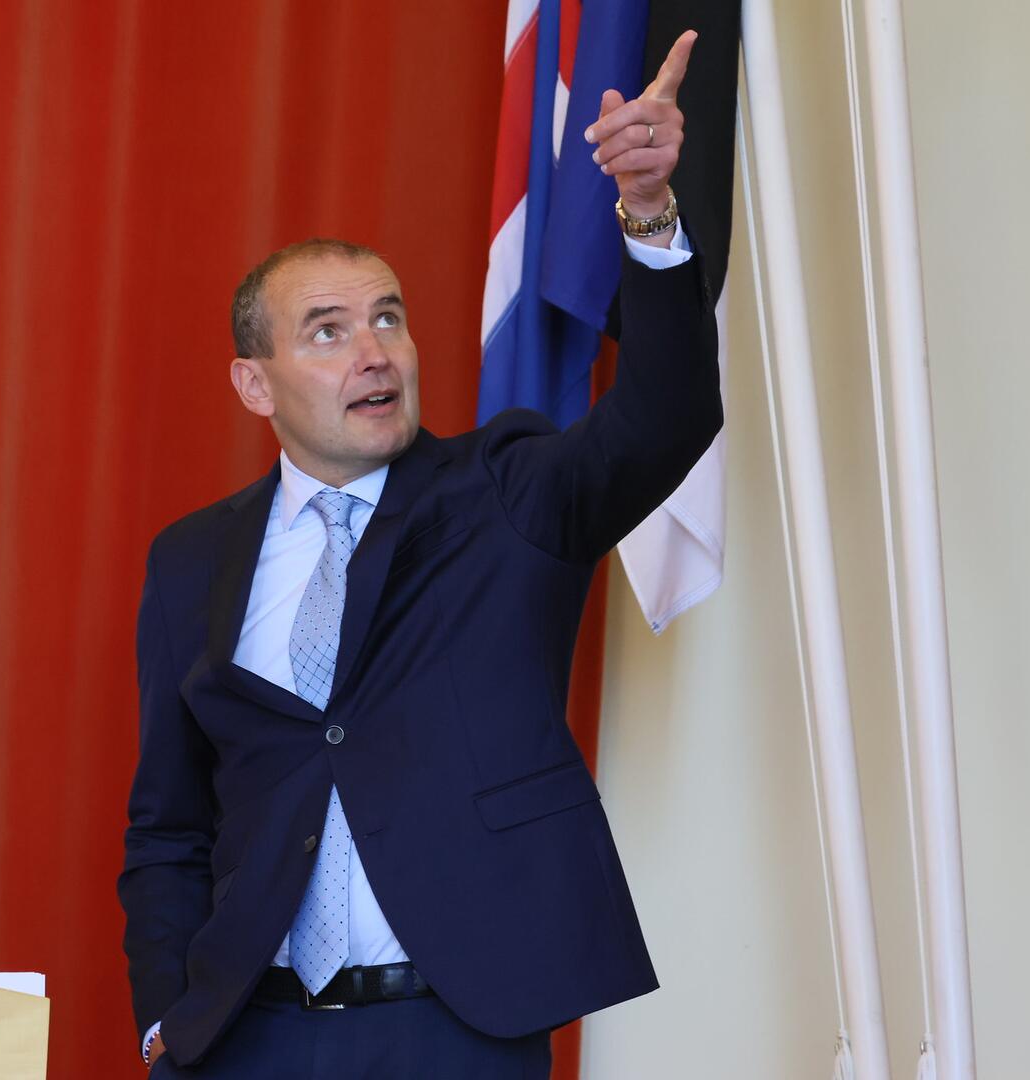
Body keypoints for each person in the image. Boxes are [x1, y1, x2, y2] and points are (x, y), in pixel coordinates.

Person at [119, 31, 719, 1079]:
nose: (373, 353)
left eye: (387, 319)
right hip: (247, 1038)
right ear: (255, 384)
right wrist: (169, 1016)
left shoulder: (507, 489)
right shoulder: (190, 560)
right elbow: (168, 825)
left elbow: (664, 418)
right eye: (326, 331)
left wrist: (649, 213)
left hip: (453, 1031)